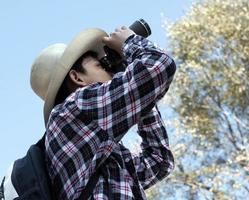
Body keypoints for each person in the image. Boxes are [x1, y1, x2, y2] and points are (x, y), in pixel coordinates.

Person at [30, 26, 176, 199]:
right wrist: (128, 42)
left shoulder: (99, 150)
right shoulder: (75, 108)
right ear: (77, 77)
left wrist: (134, 84)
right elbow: (158, 65)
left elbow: (159, 161)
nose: (109, 70)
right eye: (100, 65)